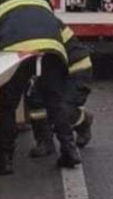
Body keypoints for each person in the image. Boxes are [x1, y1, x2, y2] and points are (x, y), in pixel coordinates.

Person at [0, 0, 81, 175]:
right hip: (52, 51)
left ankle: (4, 161)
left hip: (17, 54)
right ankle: (69, 151)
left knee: (7, 106)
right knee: (54, 103)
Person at [24, 23, 94, 158]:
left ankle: (83, 121)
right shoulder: (23, 22)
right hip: (47, 67)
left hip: (76, 68)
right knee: (35, 102)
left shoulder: (44, 22)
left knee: (62, 109)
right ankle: (44, 141)